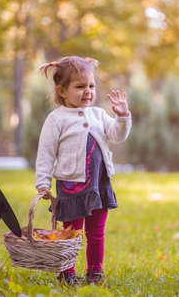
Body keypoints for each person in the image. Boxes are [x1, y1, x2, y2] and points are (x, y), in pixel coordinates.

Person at [35, 56, 132, 285]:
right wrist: (42, 182)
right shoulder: (56, 119)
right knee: (71, 233)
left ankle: (95, 271)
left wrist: (122, 116)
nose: (88, 91)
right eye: (80, 87)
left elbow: (117, 135)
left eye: (91, 86)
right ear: (62, 91)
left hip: (99, 184)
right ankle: (67, 273)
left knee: (97, 230)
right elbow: (46, 153)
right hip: (71, 185)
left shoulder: (98, 114)